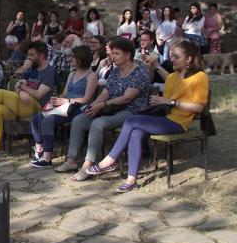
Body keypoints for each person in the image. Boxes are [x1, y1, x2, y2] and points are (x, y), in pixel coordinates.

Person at [86, 40, 208, 193]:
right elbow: (164, 103)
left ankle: (109, 160)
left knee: (131, 121)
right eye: (171, 56)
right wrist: (156, 101)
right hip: (165, 118)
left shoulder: (200, 77)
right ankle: (131, 180)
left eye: (176, 57)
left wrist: (170, 101)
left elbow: (198, 107)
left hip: (179, 122)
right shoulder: (172, 77)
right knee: (136, 132)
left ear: (189, 59)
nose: (172, 60)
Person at [55, 37, 150, 181]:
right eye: (112, 53)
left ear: (128, 55)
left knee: (98, 124)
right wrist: (95, 105)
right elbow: (106, 92)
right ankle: (71, 160)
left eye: (117, 53)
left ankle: (88, 165)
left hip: (131, 111)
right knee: (80, 119)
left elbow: (127, 98)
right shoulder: (116, 72)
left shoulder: (140, 72)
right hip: (110, 108)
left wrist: (103, 105)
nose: (112, 56)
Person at [30, 46, 98, 167]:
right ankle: (39, 148)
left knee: (47, 122)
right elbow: (65, 93)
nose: (70, 59)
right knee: (37, 117)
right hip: (65, 106)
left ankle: (47, 157)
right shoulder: (72, 73)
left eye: (73, 57)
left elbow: (87, 99)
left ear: (81, 58)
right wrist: (56, 100)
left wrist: (66, 100)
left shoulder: (91, 76)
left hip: (78, 109)